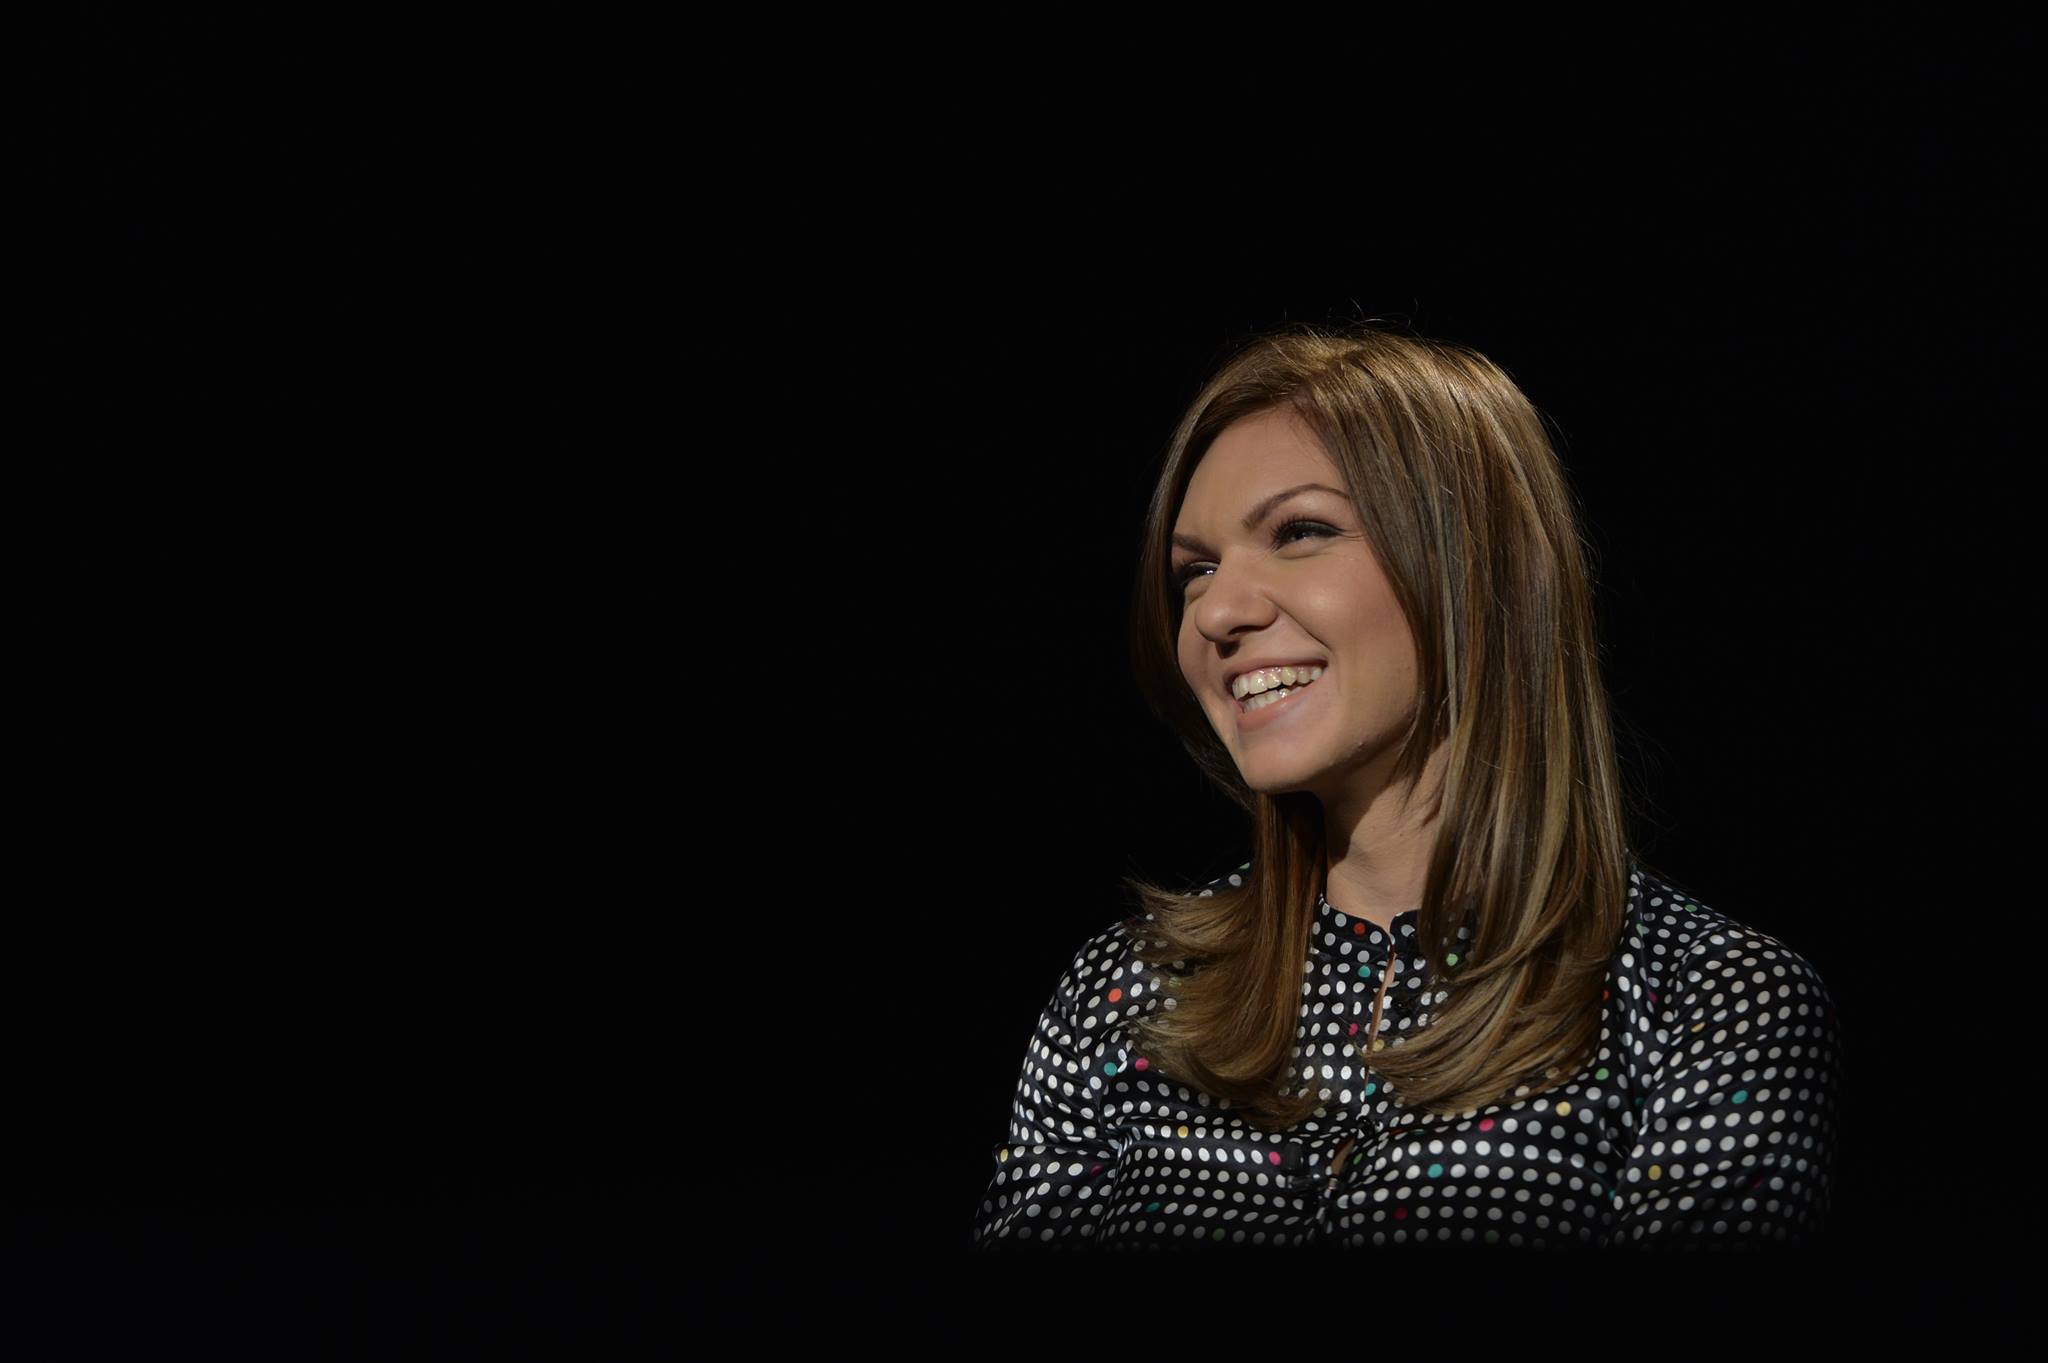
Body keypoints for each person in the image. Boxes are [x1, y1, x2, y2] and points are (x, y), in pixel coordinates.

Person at [969, 322, 1843, 1252]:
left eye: (1301, 531)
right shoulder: (1124, 993)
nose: (1216, 611)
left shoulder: (1712, 1000)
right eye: (1196, 571)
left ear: (1475, 563)